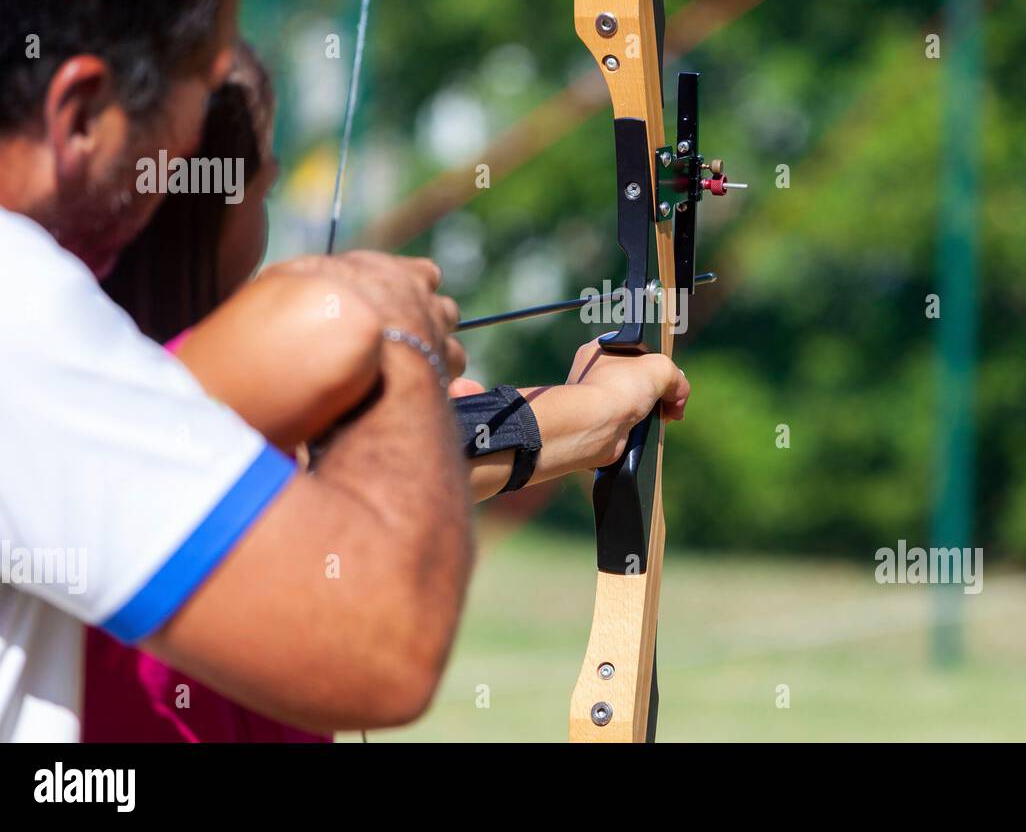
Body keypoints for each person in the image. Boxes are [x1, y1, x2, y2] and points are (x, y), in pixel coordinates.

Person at [0, 0, 688, 742]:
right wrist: (395, 337)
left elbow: (295, 454)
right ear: (82, 114)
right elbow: (380, 647)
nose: (203, 143)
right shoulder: (13, 321)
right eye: (200, 97)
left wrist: (586, 414)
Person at [84, 45, 689, 742]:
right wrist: (401, 350)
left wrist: (597, 408)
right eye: (264, 185)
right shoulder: (139, 412)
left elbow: (358, 466)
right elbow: (327, 487)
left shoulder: (126, 399)